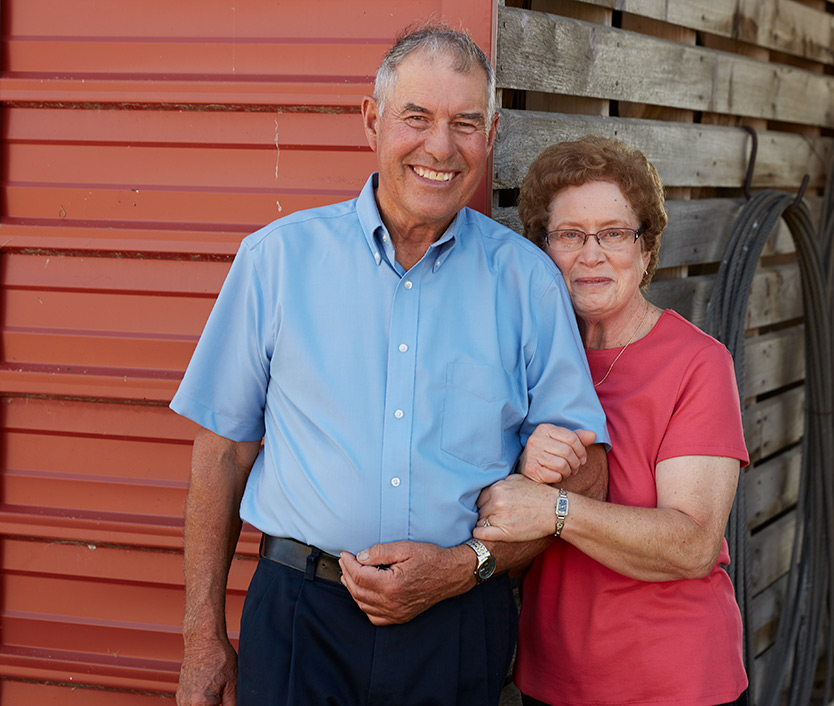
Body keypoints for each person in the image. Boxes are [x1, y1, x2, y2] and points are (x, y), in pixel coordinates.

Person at [170, 24, 609, 706]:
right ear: (372, 120)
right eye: (417, 118)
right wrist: (202, 635)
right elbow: (222, 453)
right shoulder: (275, 260)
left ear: (490, 135)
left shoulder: (528, 281)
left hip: (461, 618)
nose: (440, 146)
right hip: (299, 621)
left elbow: (590, 475)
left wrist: (467, 567)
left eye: (465, 123)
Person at [473, 135, 750, 706]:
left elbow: (693, 543)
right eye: (570, 235)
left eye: (614, 233)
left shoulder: (697, 363)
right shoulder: (526, 361)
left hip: (674, 680)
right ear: (542, 251)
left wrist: (554, 508)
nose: (591, 254)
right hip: (554, 677)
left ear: (646, 250)